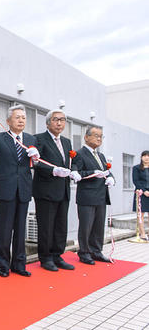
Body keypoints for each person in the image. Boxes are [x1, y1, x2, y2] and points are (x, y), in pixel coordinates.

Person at [0, 105, 40, 278]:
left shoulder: (30, 139)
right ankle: (3, 265)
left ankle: (19, 264)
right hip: (5, 189)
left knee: (20, 230)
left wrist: (36, 158)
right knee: (4, 230)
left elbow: (36, 164)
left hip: (24, 190)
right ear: (8, 121)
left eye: (24, 118)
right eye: (17, 117)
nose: (21, 120)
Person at [33, 109, 78, 272]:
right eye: (56, 119)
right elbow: (36, 163)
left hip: (63, 190)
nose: (59, 123)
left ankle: (57, 255)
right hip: (45, 190)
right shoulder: (38, 139)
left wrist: (74, 171)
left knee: (60, 225)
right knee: (46, 226)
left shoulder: (66, 142)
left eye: (62, 120)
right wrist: (53, 171)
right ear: (47, 123)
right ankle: (45, 258)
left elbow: (71, 162)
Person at [72, 126, 115, 265]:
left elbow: (107, 171)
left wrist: (111, 178)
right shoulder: (79, 154)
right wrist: (93, 173)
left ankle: (96, 251)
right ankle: (84, 252)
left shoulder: (101, 155)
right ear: (86, 137)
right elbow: (76, 173)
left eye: (101, 136)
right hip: (87, 196)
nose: (98, 138)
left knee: (98, 226)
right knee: (86, 226)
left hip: (101, 196)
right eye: (96, 135)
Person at [133, 150, 149, 240]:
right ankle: (142, 234)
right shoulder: (136, 168)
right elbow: (135, 181)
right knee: (141, 214)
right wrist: (144, 190)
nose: (146, 157)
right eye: (144, 156)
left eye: (148, 156)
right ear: (141, 157)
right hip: (141, 193)